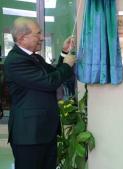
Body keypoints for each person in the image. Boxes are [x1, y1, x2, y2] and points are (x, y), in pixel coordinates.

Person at [4, 17, 76, 169]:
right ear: (23, 38)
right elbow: (49, 82)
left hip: (43, 132)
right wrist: (68, 65)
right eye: (38, 34)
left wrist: (64, 53)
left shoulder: (35, 58)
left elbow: (54, 73)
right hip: (28, 135)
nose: (42, 37)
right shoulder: (15, 61)